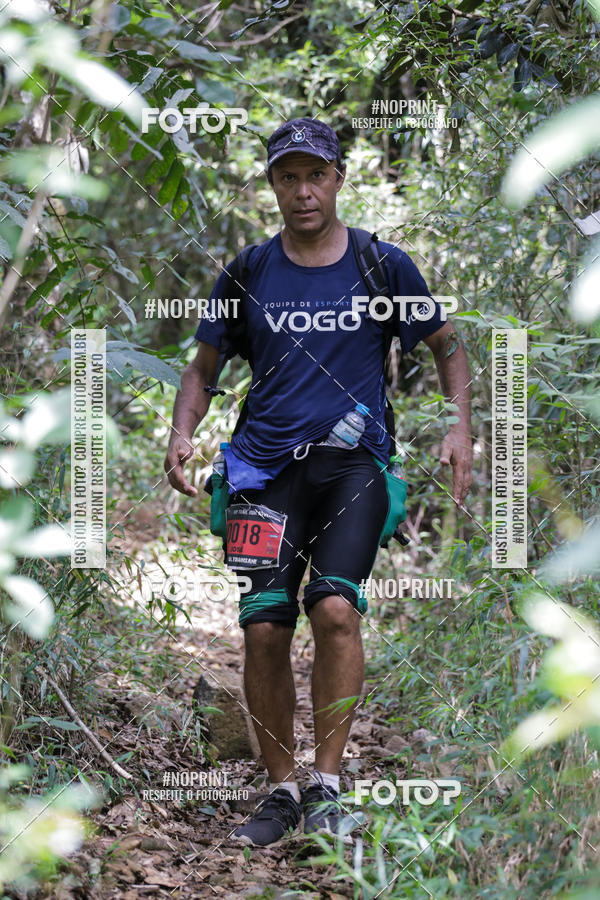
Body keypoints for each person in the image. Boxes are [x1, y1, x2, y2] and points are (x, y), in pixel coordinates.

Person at [164, 117, 473, 847]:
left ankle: (327, 786)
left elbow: (448, 345)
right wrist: (181, 431)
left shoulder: (381, 265)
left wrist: (460, 427)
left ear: (337, 180)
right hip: (262, 470)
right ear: (272, 185)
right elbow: (202, 370)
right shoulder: (247, 271)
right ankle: (280, 791)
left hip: (353, 466)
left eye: (315, 176)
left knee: (335, 610)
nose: (303, 191)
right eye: (288, 177)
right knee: (265, 623)